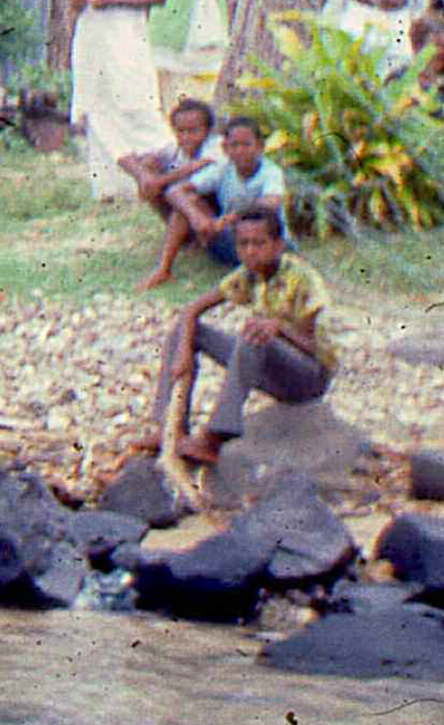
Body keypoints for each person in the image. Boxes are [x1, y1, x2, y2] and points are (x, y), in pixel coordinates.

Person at [150, 203, 335, 481]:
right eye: (243, 244)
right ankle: (168, 426)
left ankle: (217, 435)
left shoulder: (302, 279)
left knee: (253, 334)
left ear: (278, 245)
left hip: (308, 377)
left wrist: (281, 330)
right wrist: (184, 354)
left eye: (259, 244)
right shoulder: (248, 275)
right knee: (185, 331)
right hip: (271, 367)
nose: (250, 251)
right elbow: (191, 310)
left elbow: (319, 353)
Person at [68, 0, 172, 200]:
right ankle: (109, 189)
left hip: (127, 34)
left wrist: (117, 1)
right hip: (91, 35)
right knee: (97, 106)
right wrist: (81, 1)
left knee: (135, 100)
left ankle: (163, 172)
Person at [138, 111, 288, 288]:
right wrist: (197, 218)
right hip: (231, 239)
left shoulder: (270, 171)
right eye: (234, 145)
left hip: (267, 244)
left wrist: (229, 219)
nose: (240, 151)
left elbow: (270, 204)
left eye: (246, 145)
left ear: (260, 147)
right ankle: (163, 269)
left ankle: (257, 275)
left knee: (263, 239)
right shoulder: (223, 167)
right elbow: (175, 192)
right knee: (186, 205)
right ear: (225, 149)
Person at [130, 96, 223, 221]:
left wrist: (159, 181)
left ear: (207, 130)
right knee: (150, 165)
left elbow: (196, 165)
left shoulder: (216, 144)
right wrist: (145, 173)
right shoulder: (175, 149)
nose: (185, 137)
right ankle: (173, 226)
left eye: (192, 131)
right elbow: (146, 158)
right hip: (186, 203)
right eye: (180, 131)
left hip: (216, 206)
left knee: (188, 199)